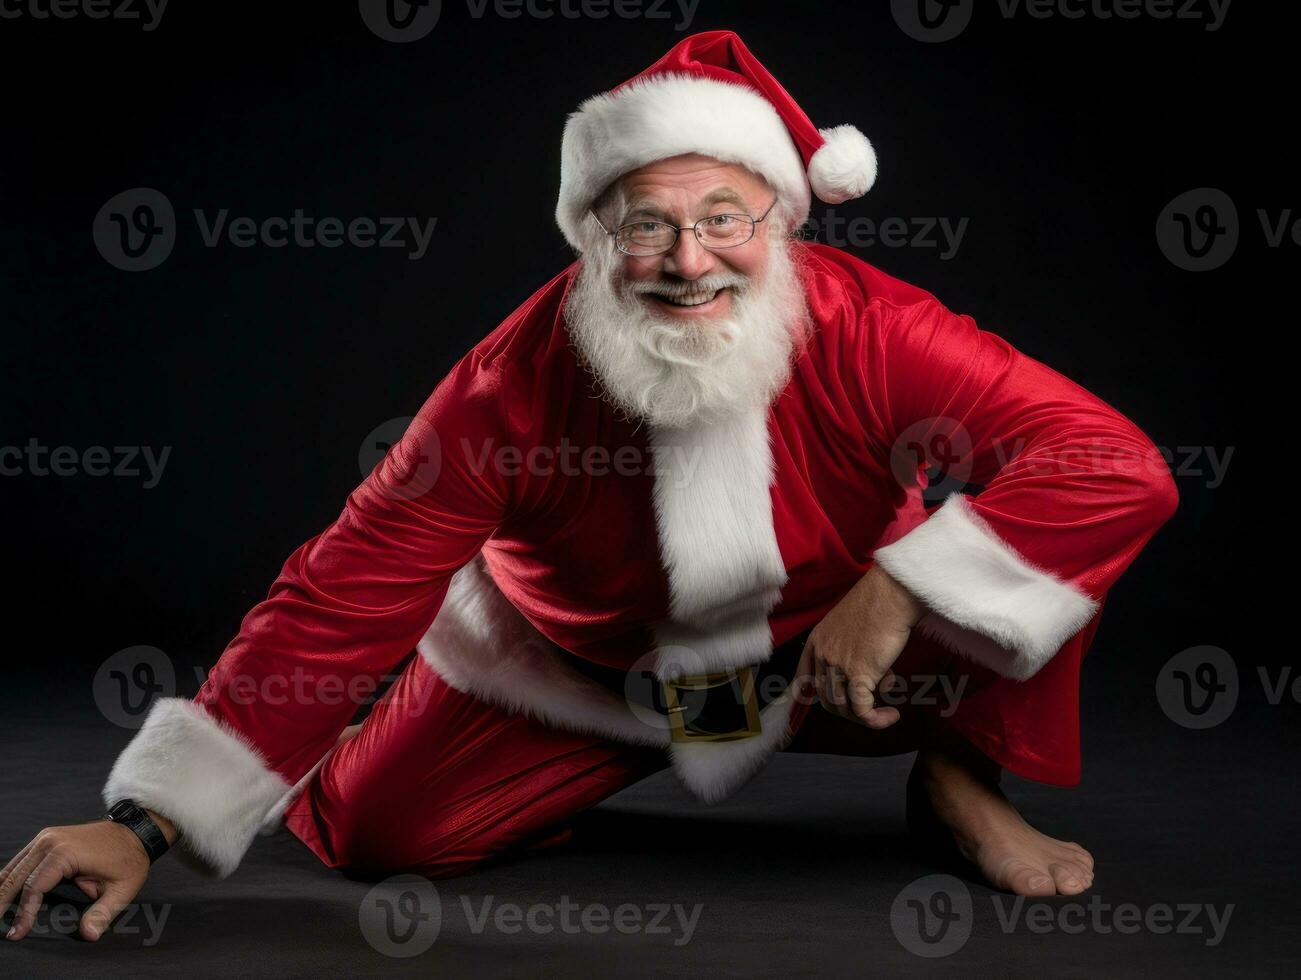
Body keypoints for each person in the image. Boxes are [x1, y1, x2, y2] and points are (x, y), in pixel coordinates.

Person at [2, 30, 1175, 943]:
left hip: (834, 650)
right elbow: (340, 589)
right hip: (584, 668)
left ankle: (959, 775)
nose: (687, 261)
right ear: (592, 238)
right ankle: (547, 755)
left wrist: (893, 588)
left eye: (724, 218)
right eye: (645, 226)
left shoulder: (872, 328)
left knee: (1036, 548)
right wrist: (144, 819)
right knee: (371, 832)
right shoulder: (504, 390)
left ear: (782, 221)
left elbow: (1105, 463)